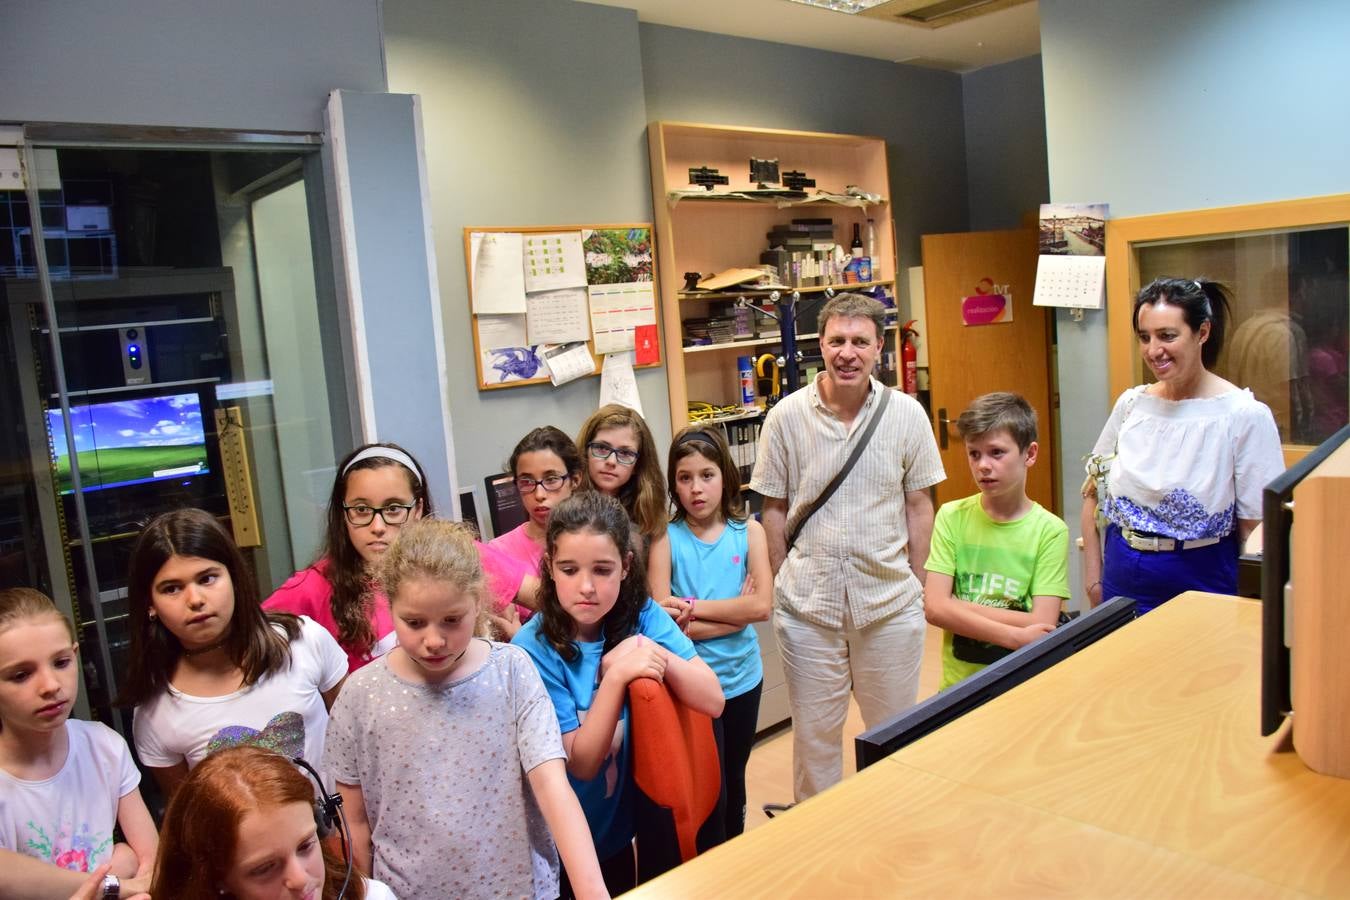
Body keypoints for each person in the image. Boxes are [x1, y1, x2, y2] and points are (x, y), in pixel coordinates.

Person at [323, 518, 607, 900]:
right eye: (414, 622)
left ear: (478, 604)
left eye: (452, 620)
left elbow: (552, 787)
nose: (434, 640)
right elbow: (354, 823)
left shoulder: (512, 671)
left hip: (518, 891)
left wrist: (592, 890)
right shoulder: (360, 695)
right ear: (390, 606)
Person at [750, 292, 945, 801]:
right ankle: (820, 848)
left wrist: (919, 583)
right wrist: (782, 576)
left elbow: (920, 503)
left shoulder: (907, 415)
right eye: (837, 340)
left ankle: (891, 833)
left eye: (860, 342)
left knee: (895, 735)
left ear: (878, 348)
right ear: (821, 344)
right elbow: (771, 508)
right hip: (808, 608)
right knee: (815, 740)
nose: (847, 353)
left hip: (888, 603)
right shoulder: (786, 417)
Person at [512, 492, 723, 897]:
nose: (586, 587)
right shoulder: (533, 649)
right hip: (560, 849)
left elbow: (712, 699)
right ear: (550, 568)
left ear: (626, 566)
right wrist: (614, 677)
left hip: (617, 834)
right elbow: (583, 763)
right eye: (569, 570)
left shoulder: (640, 613)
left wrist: (651, 650)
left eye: (603, 569)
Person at [1082, 277, 1285, 614]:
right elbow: (1093, 492)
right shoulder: (1132, 406)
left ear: (1202, 333)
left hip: (1202, 575)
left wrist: (1259, 603)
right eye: (1144, 337)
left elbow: (1258, 527)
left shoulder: (1243, 415)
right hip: (1123, 571)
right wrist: (1093, 579)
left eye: (1167, 336)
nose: (1153, 350)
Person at [120, 508, 348, 800]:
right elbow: (191, 818)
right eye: (172, 588)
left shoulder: (303, 641)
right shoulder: (155, 713)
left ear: (234, 578)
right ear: (150, 604)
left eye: (207, 579)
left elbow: (358, 746)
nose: (195, 600)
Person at [647, 425, 772, 840]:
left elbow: (761, 607)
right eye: (685, 478)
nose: (696, 488)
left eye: (707, 475)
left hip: (743, 680)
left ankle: (733, 858)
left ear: (725, 476)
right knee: (707, 787)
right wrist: (735, 616)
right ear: (673, 484)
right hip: (693, 683)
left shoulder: (749, 532)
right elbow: (663, 625)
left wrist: (694, 610)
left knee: (734, 779)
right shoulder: (666, 538)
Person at [0, 589, 156, 900]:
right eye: (21, 675)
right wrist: (119, 876)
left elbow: (153, 866)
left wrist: (134, 877)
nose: (51, 686)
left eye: (60, 662)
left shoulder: (103, 746)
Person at [923, 393, 1067, 690]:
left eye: (996, 452)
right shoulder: (951, 516)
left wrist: (957, 607)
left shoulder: (1050, 531)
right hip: (958, 686)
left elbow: (1043, 620)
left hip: (1022, 684)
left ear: (1030, 454)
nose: (983, 466)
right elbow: (935, 609)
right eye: (974, 454)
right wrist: (1014, 634)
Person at [264, 443, 433, 673]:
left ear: (418, 509)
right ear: (344, 513)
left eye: (393, 508)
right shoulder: (312, 589)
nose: (378, 526)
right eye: (361, 510)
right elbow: (246, 641)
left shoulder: (446, 568)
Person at [150, 745, 396, 899]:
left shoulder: (372, 896)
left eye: (305, 846)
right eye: (265, 868)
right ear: (216, 878)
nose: (300, 880)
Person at [485, 426, 584, 636]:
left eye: (551, 479)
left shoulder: (596, 542)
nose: (539, 494)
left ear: (575, 480)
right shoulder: (497, 553)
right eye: (527, 482)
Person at [575, 404, 667, 553]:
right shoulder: (566, 509)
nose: (611, 461)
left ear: (638, 464)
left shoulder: (649, 520)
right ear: (586, 452)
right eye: (602, 448)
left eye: (625, 453)